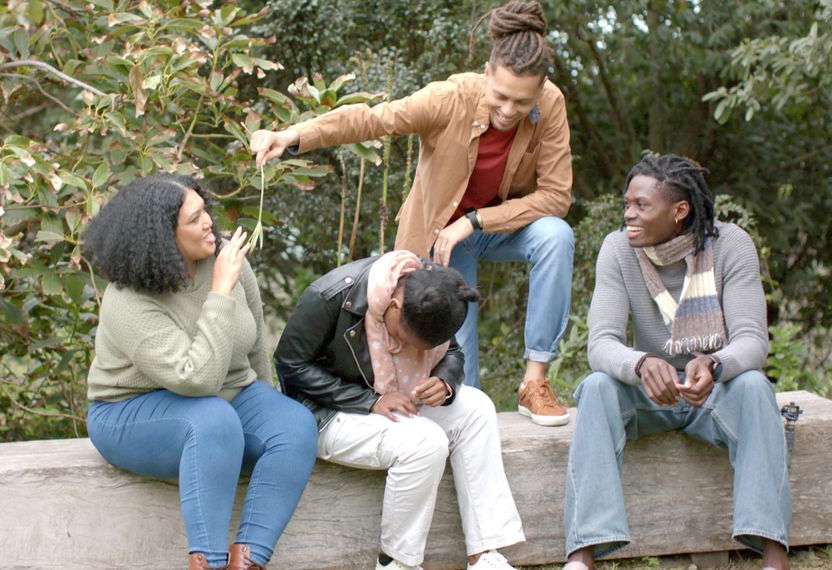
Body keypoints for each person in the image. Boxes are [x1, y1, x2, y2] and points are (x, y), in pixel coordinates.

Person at [252, 0, 574, 426]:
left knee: (556, 235)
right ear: (485, 74)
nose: (509, 111)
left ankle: (534, 382)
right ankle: (463, 429)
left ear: (541, 87)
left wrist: (474, 221)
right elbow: (372, 120)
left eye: (522, 101)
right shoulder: (449, 98)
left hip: (494, 228)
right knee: (461, 368)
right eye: (501, 96)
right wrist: (294, 135)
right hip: (438, 240)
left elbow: (556, 195)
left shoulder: (550, 104)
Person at [563, 155, 792, 570]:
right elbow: (601, 344)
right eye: (626, 204)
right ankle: (584, 554)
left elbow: (753, 342)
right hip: (650, 394)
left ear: (680, 211)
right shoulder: (618, 248)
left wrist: (715, 364)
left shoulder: (731, 245)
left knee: (756, 386)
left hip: (714, 392)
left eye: (641, 206)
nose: (629, 214)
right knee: (596, 386)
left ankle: (774, 555)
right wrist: (640, 364)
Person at [82, 174, 318, 570]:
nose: (209, 221)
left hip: (225, 398)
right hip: (130, 411)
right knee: (213, 421)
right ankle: (206, 561)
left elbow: (256, 340)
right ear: (161, 238)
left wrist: (267, 403)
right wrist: (220, 293)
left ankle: (248, 561)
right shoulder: (128, 300)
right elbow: (197, 378)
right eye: (194, 220)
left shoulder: (224, 261)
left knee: (294, 425)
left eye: (204, 209)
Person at [275, 250, 525, 570]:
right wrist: (369, 401)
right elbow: (290, 364)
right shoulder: (330, 296)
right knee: (425, 442)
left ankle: (485, 553)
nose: (412, 351)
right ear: (393, 305)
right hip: (327, 412)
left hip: (396, 400)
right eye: (405, 339)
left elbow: (452, 352)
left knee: (476, 407)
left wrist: (444, 379)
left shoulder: (434, 290)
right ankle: (397, 562)